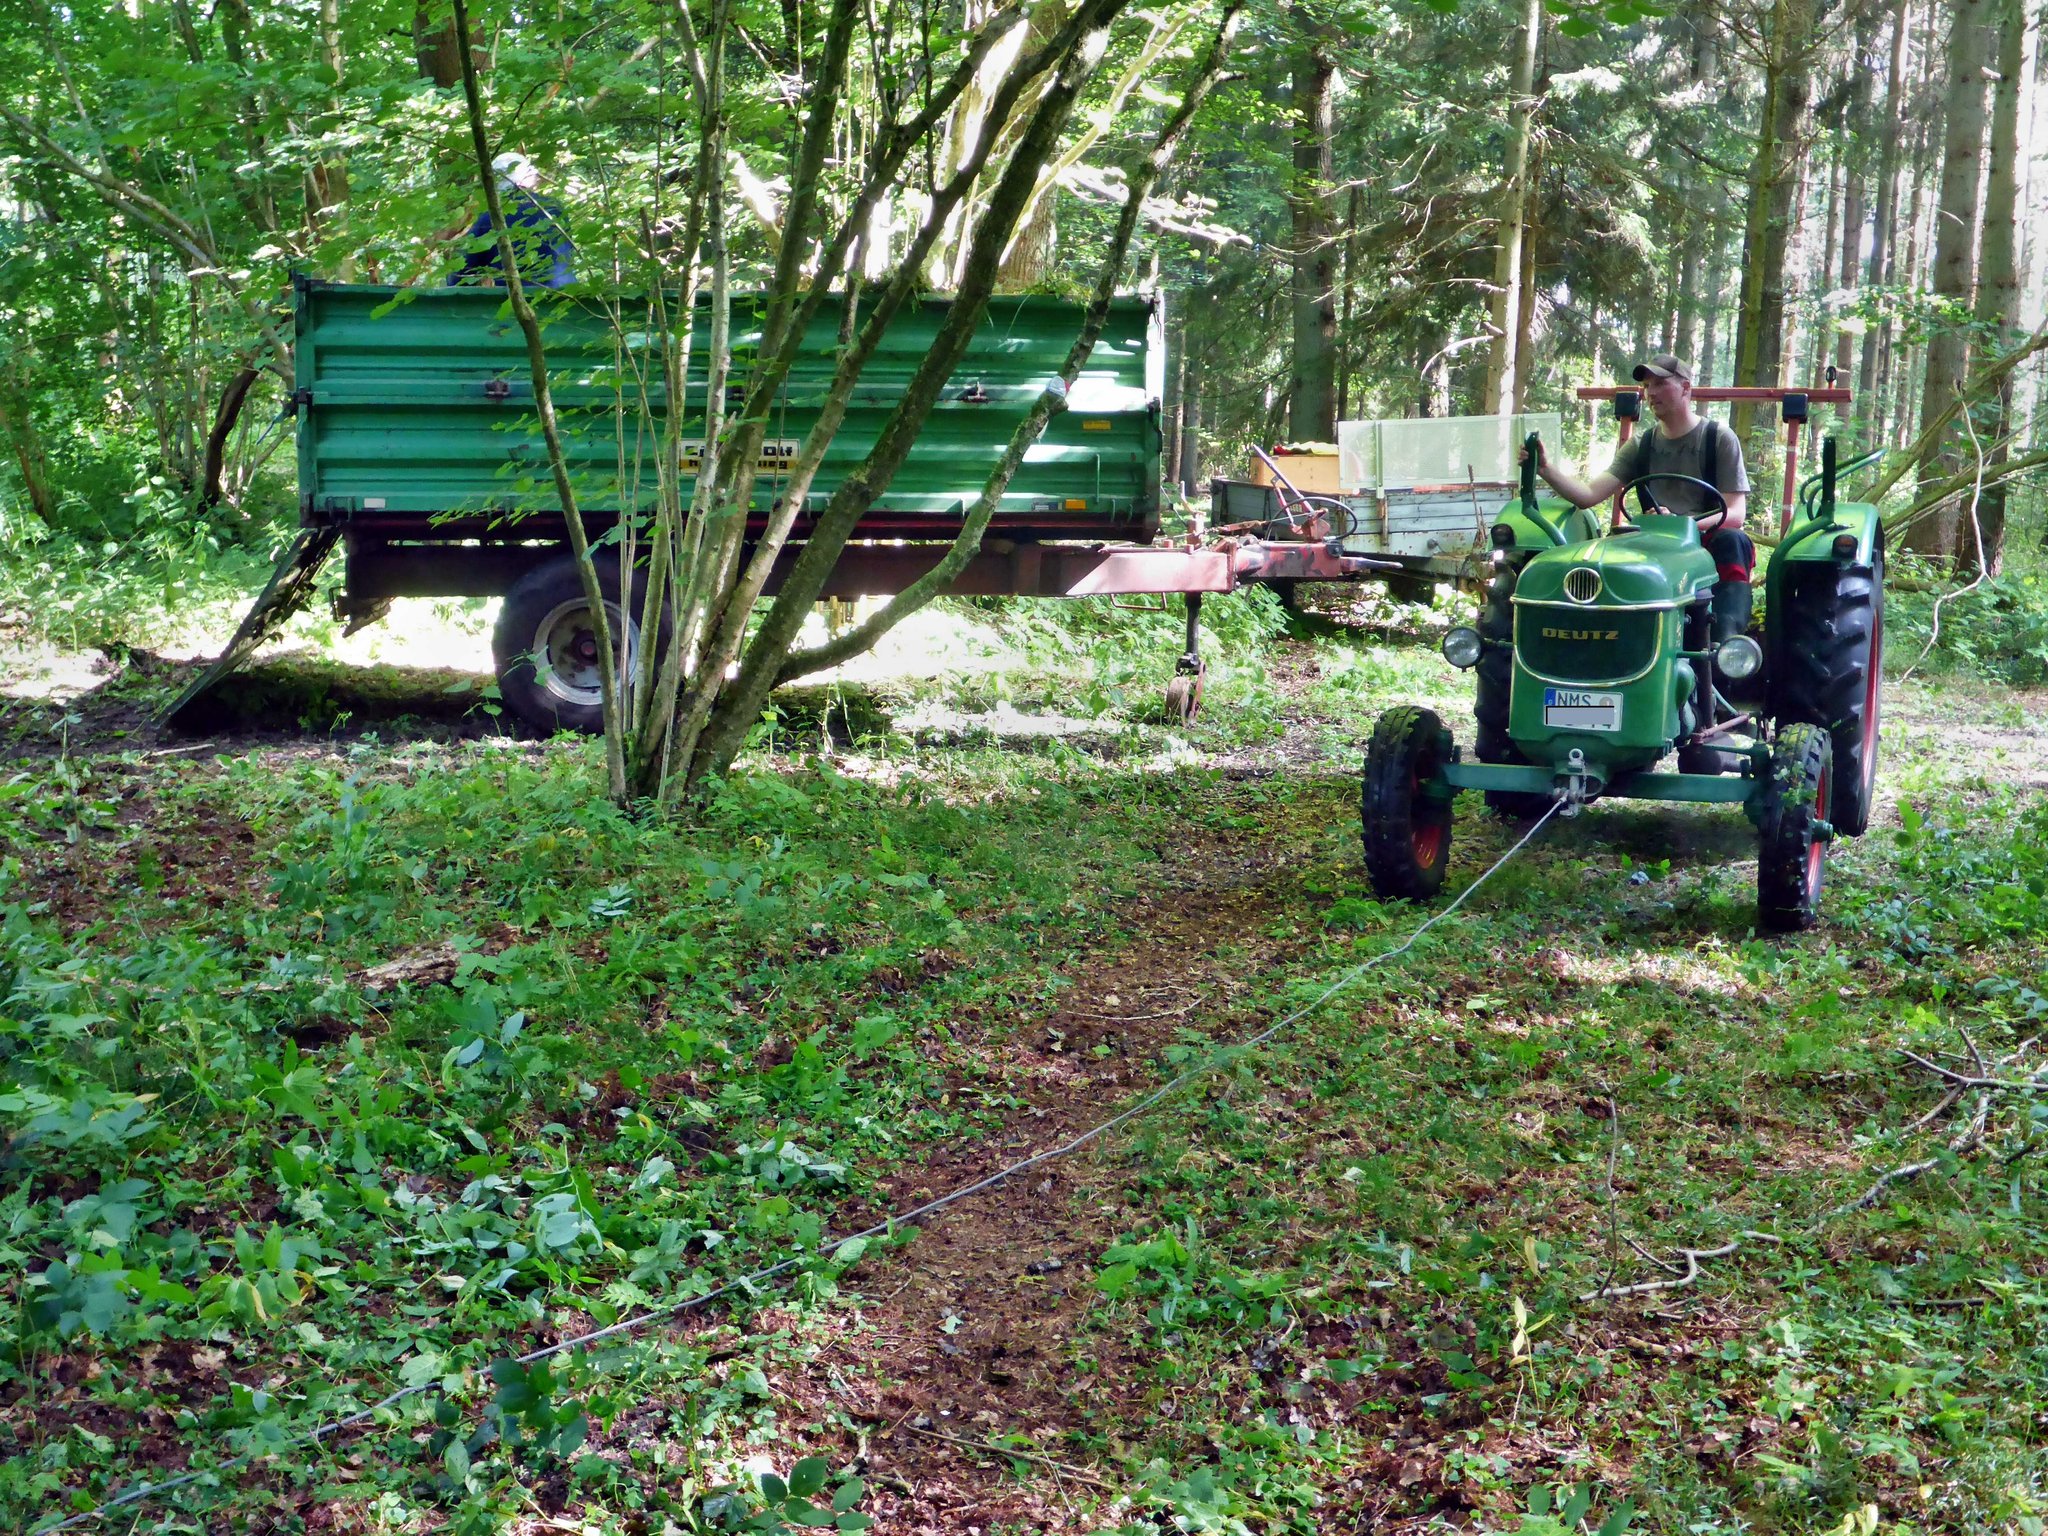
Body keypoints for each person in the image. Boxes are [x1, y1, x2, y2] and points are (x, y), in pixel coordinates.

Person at [1521, 353, 1754, 651]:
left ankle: (1725, 647)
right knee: (1604, 556)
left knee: (1734, 541)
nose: (1651, 392)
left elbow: (1735, 513)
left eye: (1660, 383)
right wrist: (1545, 469)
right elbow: (1588, 495)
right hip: (1651, 543)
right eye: (1646, 385)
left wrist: (1685, 524)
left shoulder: (1718, 438)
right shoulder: (1640, 445)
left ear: (1685, 388)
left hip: (1704, 541)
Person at [447, 152, 575, 289]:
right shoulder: (555, 208)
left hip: (517, 299)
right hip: (566, 294)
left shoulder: (492, 216)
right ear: (526, 177)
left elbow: (461, 275)